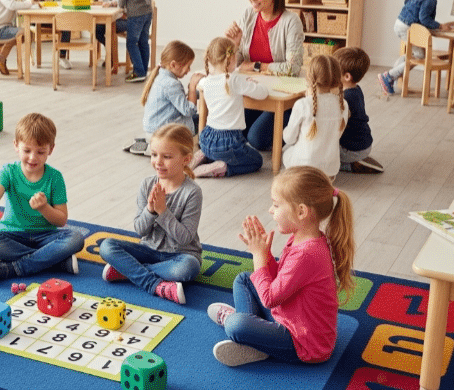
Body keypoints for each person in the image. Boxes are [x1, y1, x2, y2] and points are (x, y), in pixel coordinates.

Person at [207, 166, 355, 366]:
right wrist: (266, 255)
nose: (271, 210)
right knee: (244, 279)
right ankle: (256, 340)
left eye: (276, 205)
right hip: (288, 317)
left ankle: (249, 334)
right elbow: (282, 280)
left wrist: (258, 256)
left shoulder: (307, 253)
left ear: (301, 211)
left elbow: (269, 299)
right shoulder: (302, 239)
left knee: (235, 324)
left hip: (304, 344)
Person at [0, 113, 84, 283]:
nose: (33, 157)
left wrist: (44, 208)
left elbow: (61, 220)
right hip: (12, 236)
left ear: (51, 149)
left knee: (76, 238)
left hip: (46, 237)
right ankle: (52, 261)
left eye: (40, 152)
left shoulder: (55, 177)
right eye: (27, 150)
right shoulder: (8, 171)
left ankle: (13, 268)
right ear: (16, 145)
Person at [100, 124, 202, 304]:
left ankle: (128, 271)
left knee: (188, 268)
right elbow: (140, 230)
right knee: (107, 246)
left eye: (167, 157)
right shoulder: (147, 184)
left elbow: (185, 238)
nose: (158, 162)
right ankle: (155, 284)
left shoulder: (192, 192)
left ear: (186, 159)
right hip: (148, 250)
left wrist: (162, 211)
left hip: (179, 256)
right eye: (154, 155)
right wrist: (150, 209)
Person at [225, 0, 304, 151]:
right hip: (255, 90)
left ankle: (295, 127)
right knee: (235, 130)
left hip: (280, 94)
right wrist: (233, 45)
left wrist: (256, 66)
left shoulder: (291, 21)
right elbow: (236, 63)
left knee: (256, 139)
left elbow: (293, 68)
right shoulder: (248, 15)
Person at [377, 0, 454, 95]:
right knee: (420, 56)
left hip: (400, 24)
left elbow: (408, 4)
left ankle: (391, 76)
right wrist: (439, 26)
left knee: (412, 55)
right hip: (408, 28)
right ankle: (388, 76)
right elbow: (424, 19)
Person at [194, 37, 268, 178]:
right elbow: (262, 93)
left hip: (206, 139)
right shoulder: (234, 80)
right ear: (232, 59)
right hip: (228, 143)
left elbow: (202, 83)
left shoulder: (206, 81)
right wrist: (253, 83)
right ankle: (223, 168)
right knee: (257, 161)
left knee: (222, 152)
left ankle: (205, 155)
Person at [281, 55, 348, 179]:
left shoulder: (303, 104)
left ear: (309, 77)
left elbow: (289, 138)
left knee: (285, 150)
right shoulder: (343, 104)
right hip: (330, 169)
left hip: (303, 167)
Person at [332, 47, 382, 174]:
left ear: (347, 76)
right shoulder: (356, 90)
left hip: (353, 150)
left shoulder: (346, 99)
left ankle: (349, 165)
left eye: (334, 70)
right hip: (363, 144)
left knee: (322, 150)